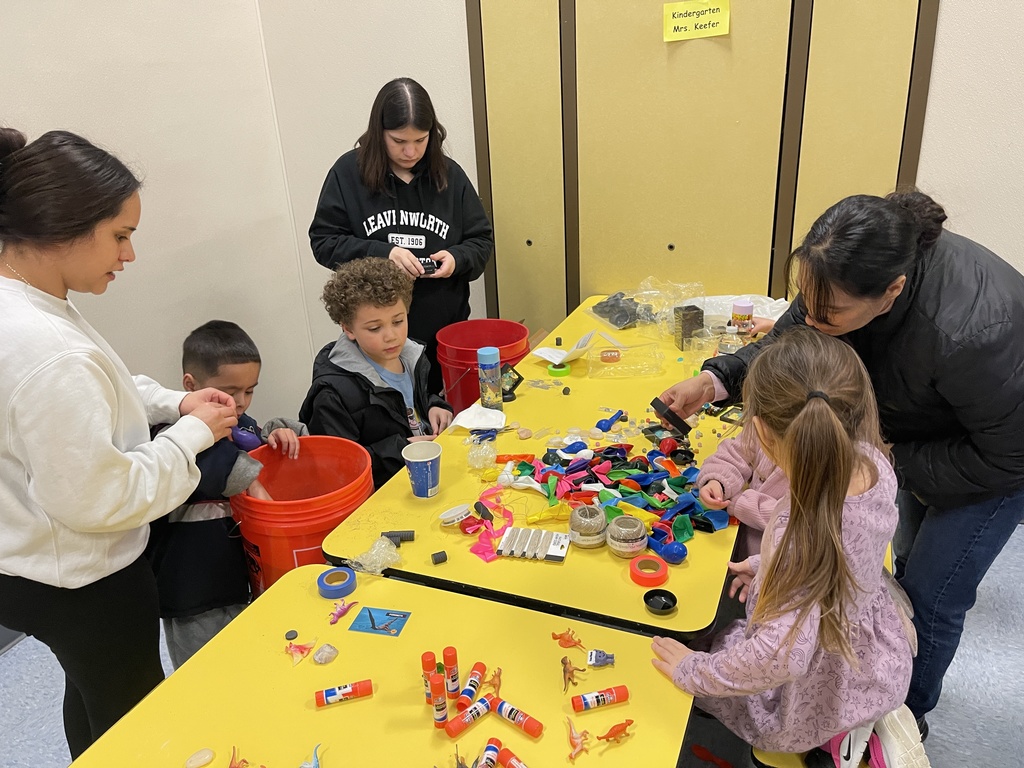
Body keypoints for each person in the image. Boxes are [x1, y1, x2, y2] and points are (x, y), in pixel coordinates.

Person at [660, 190, 1024, 740]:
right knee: (891, 572)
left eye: (826, 311)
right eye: (804, 297)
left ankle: (903, 725)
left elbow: (1007, 453)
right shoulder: (864, 470)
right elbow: (794, 345)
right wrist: (716, 380)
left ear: (892, 292)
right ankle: (873, 693)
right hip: (908, 447)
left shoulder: (967, 332)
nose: (810, 314)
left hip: (1001, 456)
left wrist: (696, 671)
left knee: (932, 595)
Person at [0, 128, 237, 757]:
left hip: (25, 560)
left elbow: (100, 389)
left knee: (91, 693)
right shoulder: (47, 351)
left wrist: (174, 402)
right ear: (60, 228)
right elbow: (102, 499)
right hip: (81, 578)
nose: (128, 255)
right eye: (120, 235)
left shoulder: (27, 305)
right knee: (133, 716)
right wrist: (192, 435)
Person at [652, 328, 923, 767]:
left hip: (813, 695)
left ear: (761, 431)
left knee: (695, 654)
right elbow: (846, 558)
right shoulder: (872, 463)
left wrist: (693, 671)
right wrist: (769, 564)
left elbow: (778, 660)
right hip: (866, 654)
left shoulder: (803, 531)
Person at [309, 77, 494, 395]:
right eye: (398, 141)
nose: (410, 152)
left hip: (441, 334)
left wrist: (457, 259)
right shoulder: (347, 174)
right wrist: (384, 253)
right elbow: (324, 241)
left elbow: (481, 241)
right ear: (378, 133)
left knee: (440, 416)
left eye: (420, 141)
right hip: (376, 344)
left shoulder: (450, 176)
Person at [145, 320, 306, 669]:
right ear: (191, 386)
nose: (241, 403)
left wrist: (278, 434)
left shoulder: (239, 420)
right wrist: (251, 477)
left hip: (238, 578)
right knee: (204, 670)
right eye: (230, 392)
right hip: (193, 592)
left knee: (247, 661)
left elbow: (253, 444)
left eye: (250, 391)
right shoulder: (171, 434)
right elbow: (211, 465)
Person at [299, 258, 453, 489]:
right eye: (375, 328)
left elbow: (409, 404)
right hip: (381, 494)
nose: (391, 335)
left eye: (398, 321)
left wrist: (435, 405)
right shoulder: (332, 393)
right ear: (348, 328)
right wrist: (399, 449)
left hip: (421, 477)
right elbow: (339, 468)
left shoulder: (411, 356)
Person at [696, 431, 788, 558]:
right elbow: (735, 453)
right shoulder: (765, 425)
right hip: (741, 545)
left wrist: (737, 502)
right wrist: (718, 481)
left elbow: (793, 520)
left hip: (775, 563)